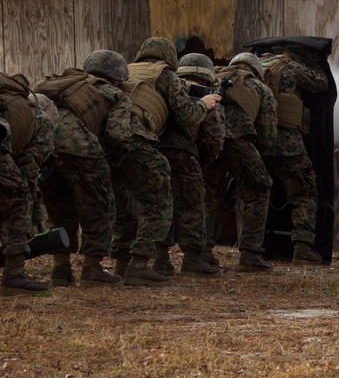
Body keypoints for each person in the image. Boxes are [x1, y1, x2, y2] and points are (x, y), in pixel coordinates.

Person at [105, 38, 220, 286]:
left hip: (117, 143)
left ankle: (135, 262)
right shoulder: (166, 75)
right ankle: (189, 259)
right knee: (181, 203)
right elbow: (188, 116)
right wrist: (204, 104)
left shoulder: (126, 71)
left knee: (131, 206)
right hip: (156, 145)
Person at [35, 55, 133, 287]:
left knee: (59, 208)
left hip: (44, 149)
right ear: (117, 78)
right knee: (100, 206)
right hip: (81, 149)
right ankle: (92, 268)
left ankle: (60, 268)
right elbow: (118, 135)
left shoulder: (63, 85)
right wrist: (115, 163)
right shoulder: (114, 94)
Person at [153, 53, 226, 276]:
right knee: (192, 206)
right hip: (186, 156)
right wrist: (202, 161)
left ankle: (161, 258)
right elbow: (214, 138)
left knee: (162, 204)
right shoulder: (207, 97)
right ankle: (193, 259)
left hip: (157, 152)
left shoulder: (165, 88)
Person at [202, 53, 277, 272]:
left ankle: (202, 252)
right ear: (256, 70)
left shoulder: (213, 78)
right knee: (259, 187)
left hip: (208, 139)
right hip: (238, 141)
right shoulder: (261, 88)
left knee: (209, 195)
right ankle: (251, 254)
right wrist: (255, 156)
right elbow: (268, 133)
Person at [260, 47, 328, 265]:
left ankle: (254, 247)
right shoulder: (291, 67)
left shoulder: (256, 66)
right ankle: (302, 248)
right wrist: (317, 61)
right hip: (287, 142)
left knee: (258, 192)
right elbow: (320, 83)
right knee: (305, 191)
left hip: (259, 141)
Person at [0, 73, 54, 295]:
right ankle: (14, 275)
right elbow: (28, 171)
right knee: (18, 200)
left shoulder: (9, 107)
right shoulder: (39, 118)